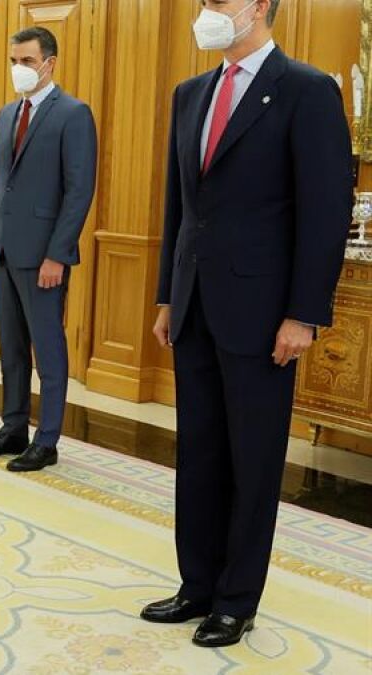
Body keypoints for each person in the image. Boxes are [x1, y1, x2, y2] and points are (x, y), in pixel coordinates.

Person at [144, 0, 352, 648]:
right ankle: (196, 585)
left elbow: (326, 210)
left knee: (253, 461)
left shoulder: (306, 91)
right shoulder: (190, 93)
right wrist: (167, 296)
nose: (207, 10)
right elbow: (180, 205)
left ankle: (236, 600)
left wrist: (304, 314)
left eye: (220, 1)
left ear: (260, 6)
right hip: (195, 302)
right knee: (199, 452)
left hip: (264, 314)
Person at [0, 27, 98, 472]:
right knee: (12, 349)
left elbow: (79, 192)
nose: (18, 69)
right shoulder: (6, 114)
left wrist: (58, 254)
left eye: (27, 61)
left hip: (44, 257)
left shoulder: (73, 114)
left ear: (49, 63)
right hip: (4, 251)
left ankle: (47, 440)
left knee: (48, 350)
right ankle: (13, 428)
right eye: (14, 61)